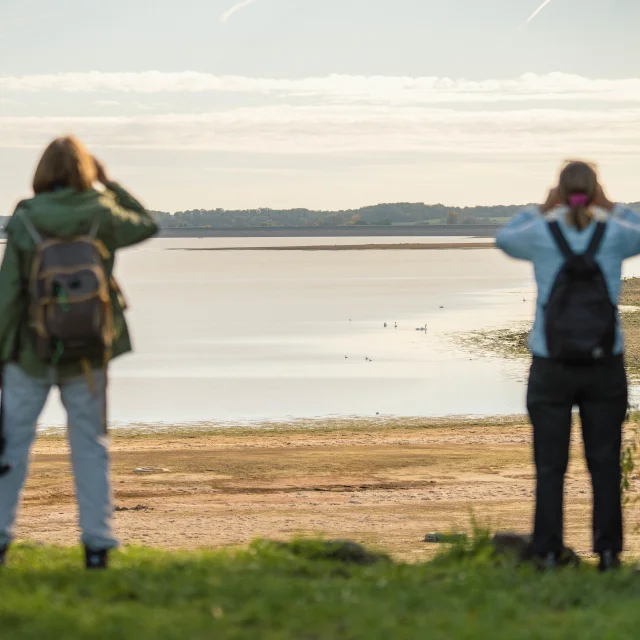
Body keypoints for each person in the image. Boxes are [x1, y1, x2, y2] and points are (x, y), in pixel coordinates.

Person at [0, 136, 158, 569]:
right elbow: (146, 224)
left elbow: (8, 296)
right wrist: (110, 184)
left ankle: (0, 539)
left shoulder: (26, 219)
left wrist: (2, 356)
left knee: (12, 449)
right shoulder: (101, 213)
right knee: (90, 446)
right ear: (86, 171)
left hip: (31, 353)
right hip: (89, 353)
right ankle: (97, 545)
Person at [496, 160, 640, 571]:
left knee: (550, 465)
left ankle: (546, 553)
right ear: (595, 193)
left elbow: (505, 239)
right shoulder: (612, 233)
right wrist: (612, 206)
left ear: (558, 193)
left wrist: (541, 209)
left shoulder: (542, 232)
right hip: (604, 365)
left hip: (550, 364)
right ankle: (609, 555)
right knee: (605, 462)